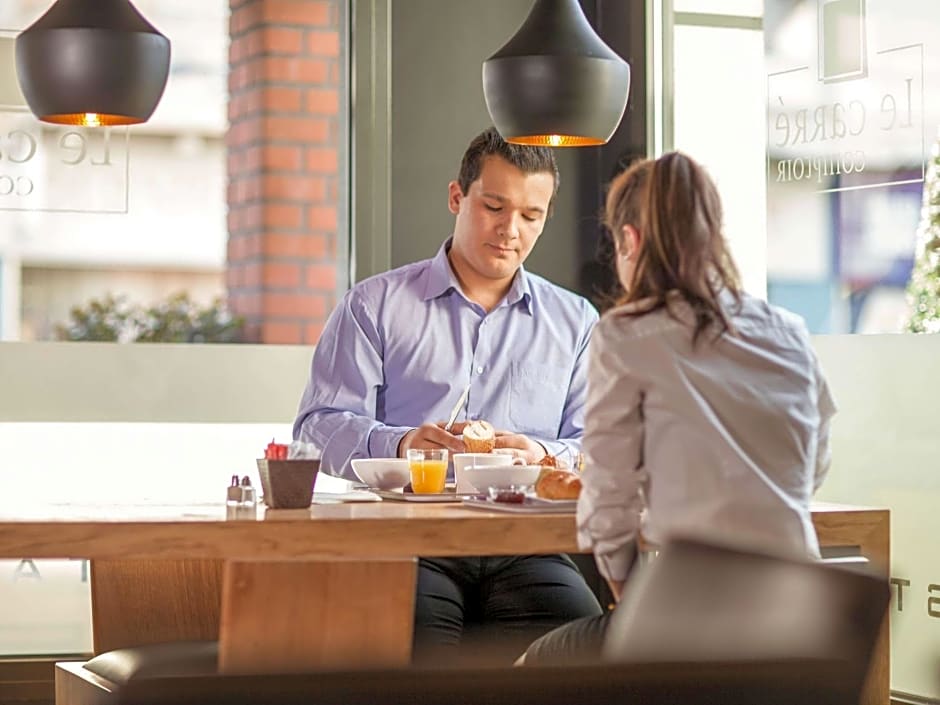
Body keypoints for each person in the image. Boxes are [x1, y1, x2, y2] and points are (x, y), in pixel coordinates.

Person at [293, 127, 603, 664]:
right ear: (458, 197)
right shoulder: (375, 305)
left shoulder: (576, 322)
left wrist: (543, 455)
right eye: (494, 206)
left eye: (531, 215)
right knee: (414, 668)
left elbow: (600, 444)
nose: (511, 230)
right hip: (407, 544)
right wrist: (401, 444)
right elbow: (317, 426)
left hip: (526, 546)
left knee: (589, 661)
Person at [521, 151, 837, 664]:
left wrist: (630, 600)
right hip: (803, 616)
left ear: (630, 240)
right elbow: (814, 463)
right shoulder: (788, 331)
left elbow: (608, 504)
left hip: (697, 624)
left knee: (529, 667)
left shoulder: (626, 334)